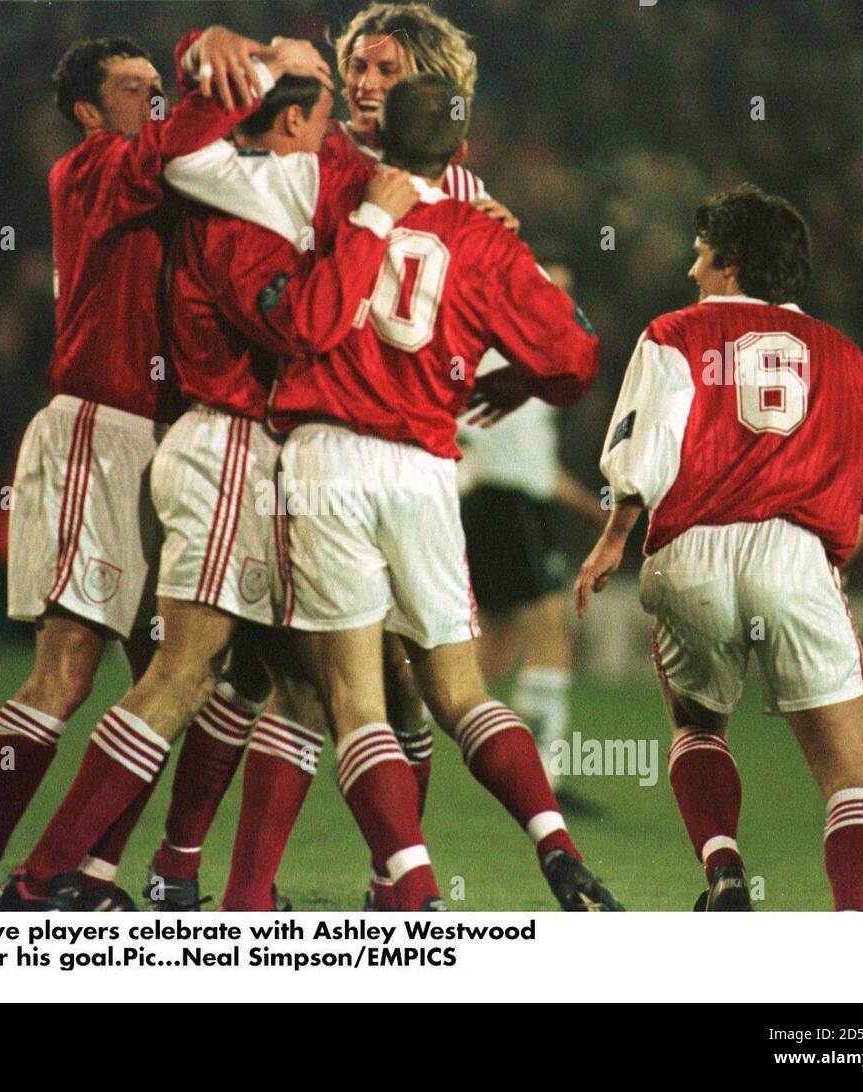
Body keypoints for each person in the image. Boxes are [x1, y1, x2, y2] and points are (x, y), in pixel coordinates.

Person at [168, 74, 623, 910]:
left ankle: (410, 884)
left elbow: (200, 173)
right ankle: (554, 844)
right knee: (459, 691)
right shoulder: (483, 235)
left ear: (376, 135)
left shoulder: (333, 194)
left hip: (326, 457)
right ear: (461, 152)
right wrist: (524, 382)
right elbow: (576, 359)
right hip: (423, 467)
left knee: (349, 698)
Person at [0, 75, 424, 910]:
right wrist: (375, 222)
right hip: (229, 444)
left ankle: (188, 877)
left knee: (263, 679)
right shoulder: (241, 216)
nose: (339, 142)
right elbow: (302, 324)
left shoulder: (270, 197)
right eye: (327, 120)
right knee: (183, 673)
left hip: (262, 459)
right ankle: (43, 875)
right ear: (294, 121)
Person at [0, 26, 330, 911]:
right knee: (67, 666)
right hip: (97, 432)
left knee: (171, 678)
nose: (152, 95)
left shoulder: (178, 173)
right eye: (130, 86)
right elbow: (180, 133)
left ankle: (93, 875)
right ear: (85, 111)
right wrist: (237, 65)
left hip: (169, 439)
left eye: (160, 80)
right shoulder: (93, 169)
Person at [575, 184, 863, 911]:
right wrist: (844, 559)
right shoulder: (846, 359)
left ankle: (725, 873)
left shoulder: (675, 333)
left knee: (696, 726)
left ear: (730, 263)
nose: (692, 272)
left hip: (690, 550)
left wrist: (611, 541)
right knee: (850, 777)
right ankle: (856, 939)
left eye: (700, 257)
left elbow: (642, 452)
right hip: (795, 556)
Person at [458, 269, 607, 788]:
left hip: (513, 506)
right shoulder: (501, 357)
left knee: (492, 654)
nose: (561, 302)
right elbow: (509, 461)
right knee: (550, 631)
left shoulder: (530, 364)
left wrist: (592, 508)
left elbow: (537, 462)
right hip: (506, 507)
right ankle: (544, 776)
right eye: (551, 291)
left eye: (566, 291)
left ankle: (390, 716)